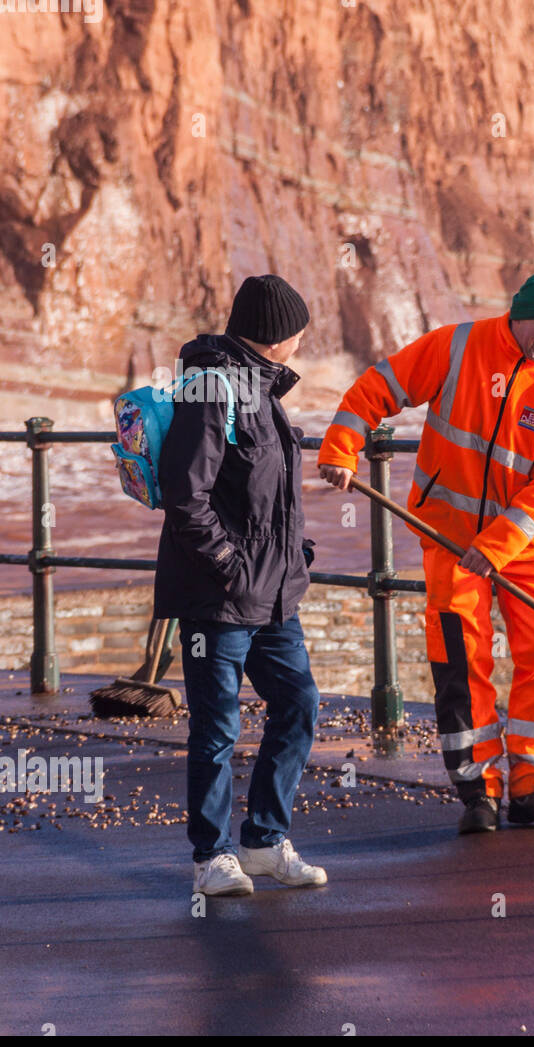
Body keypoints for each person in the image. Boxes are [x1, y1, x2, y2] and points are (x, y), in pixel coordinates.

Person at [318, 273, 534, 835]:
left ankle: (533, 786)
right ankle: (480, 793)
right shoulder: (456, 346)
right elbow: (379, 387)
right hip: (447, 534)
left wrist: (497, 547)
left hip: (530, 545)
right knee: (460, 660)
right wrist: (341, 446)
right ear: (517, 314)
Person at [155, 274, 327, 896]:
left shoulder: (262, 388)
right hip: (220, 597)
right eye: (298, 331)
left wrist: (293, 554)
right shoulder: (213, 387)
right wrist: (228, 565)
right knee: (217, 725)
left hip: (275, 592)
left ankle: (263, 842)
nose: (303, 340)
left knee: (298, 703)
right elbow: (186, 493)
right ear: (276, 334)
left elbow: (267, 495)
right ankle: (211, 858)